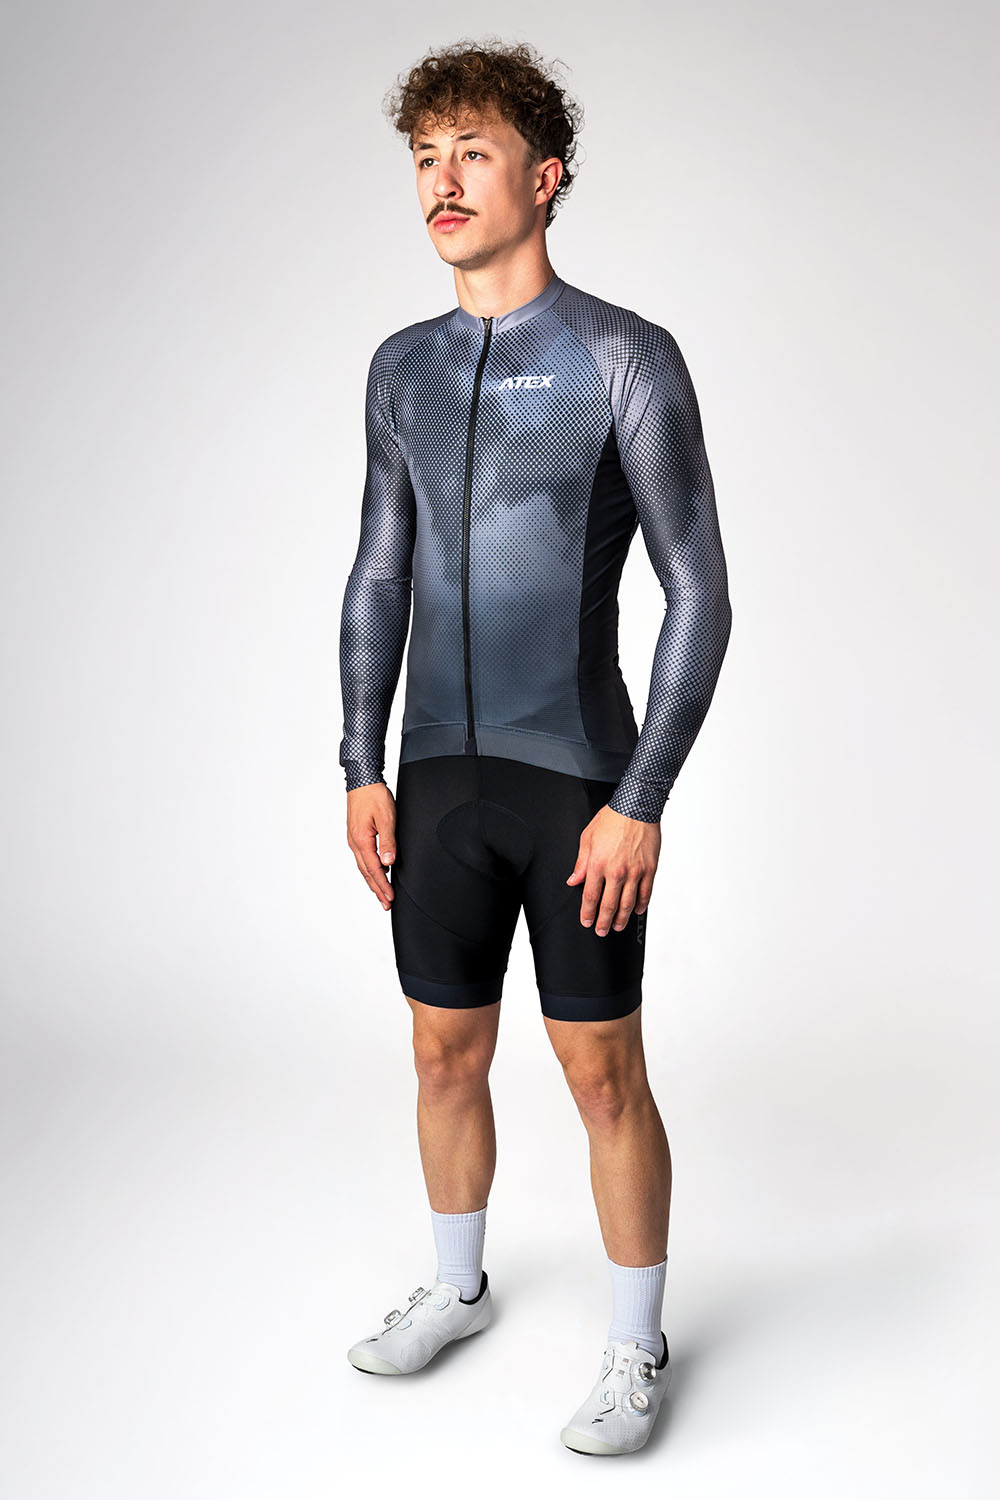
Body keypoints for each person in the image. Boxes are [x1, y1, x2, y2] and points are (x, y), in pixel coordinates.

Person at [338, 39, 732, 1455]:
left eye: (475, 153)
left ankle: (637, 1346)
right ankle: (458, 1288)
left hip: (575, 779)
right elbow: (380, 572)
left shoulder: (624, 357)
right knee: (443, 1053)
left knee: (601, 1071)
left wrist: (642, 798)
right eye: (425, 157)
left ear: (545, 177)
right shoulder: (401, 368)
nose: (443, 182)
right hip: (436, 778)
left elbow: (701, 590)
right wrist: (359, 763)